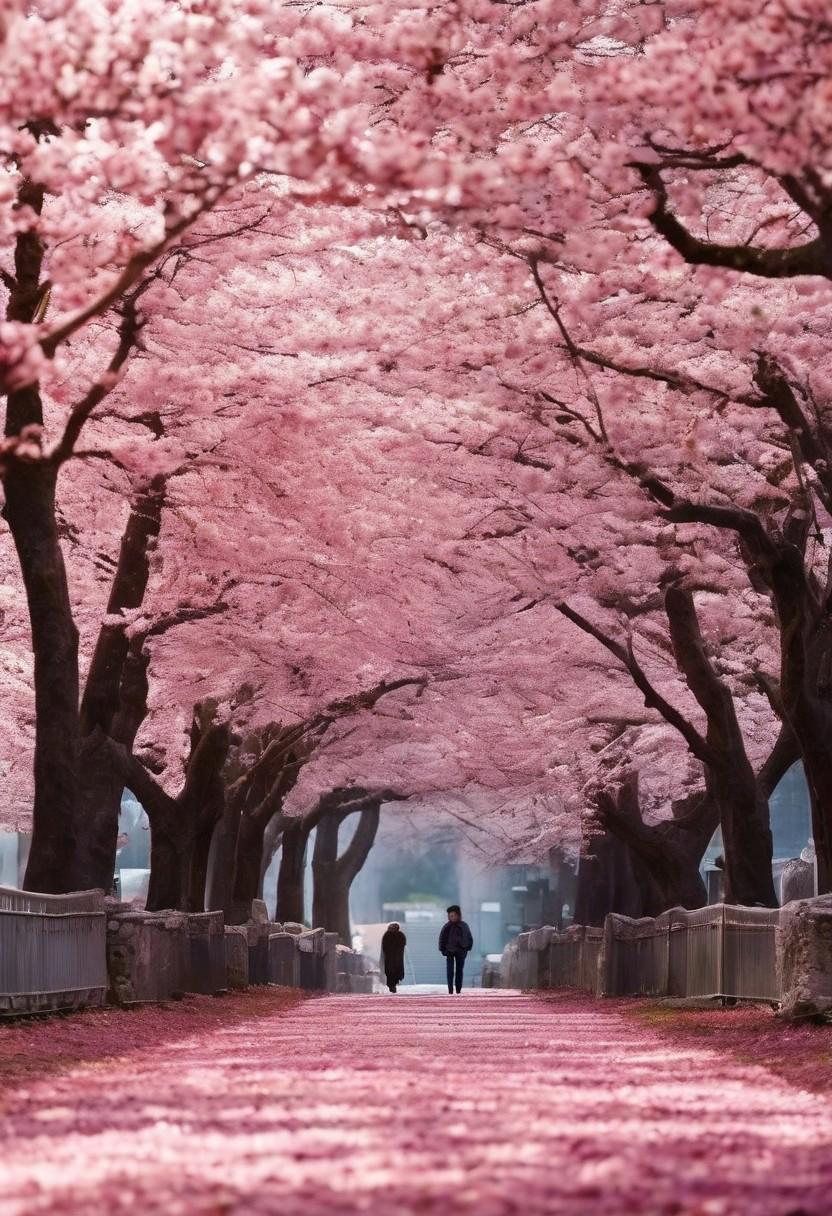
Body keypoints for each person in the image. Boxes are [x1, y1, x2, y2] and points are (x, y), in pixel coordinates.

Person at [438, 904, 473, 993]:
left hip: (461, 951)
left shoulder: (464, 926)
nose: (451, 917)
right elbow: (442, 938)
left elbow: (469, 937)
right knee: (450, 971)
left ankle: (458, 989)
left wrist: (467, 947)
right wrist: (443, 949)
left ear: (458, 915)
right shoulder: (447, 926)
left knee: (459, 970)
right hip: (449, 951)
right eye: (450, 916)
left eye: (453, 915)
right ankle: (450, 989)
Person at [380, 922, 407, 993]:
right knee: (394, 971)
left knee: (390, 971)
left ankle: (392, 985)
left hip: (391, 957)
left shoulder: (387, 935)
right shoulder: (400, 935)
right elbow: (403, 945)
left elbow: (384, 946)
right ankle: (393, 985)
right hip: (396, 957)